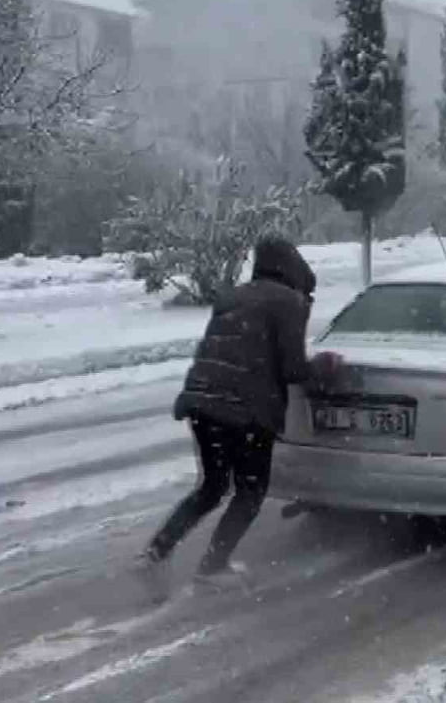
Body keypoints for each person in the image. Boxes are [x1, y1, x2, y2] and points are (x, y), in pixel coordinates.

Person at [134, 235, 339, 598]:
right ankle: (212, 567)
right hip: (245, 410)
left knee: (212, 486)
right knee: (250, 490)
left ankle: (157, 551)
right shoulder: (287, 302)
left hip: (201, 399)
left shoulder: (233, 295)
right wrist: (323, 366)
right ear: (292, 266)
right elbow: (293, 368)